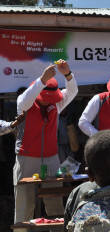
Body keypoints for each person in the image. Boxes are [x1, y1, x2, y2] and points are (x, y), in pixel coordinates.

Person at [14, 60, 78, 223]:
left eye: (53, 97)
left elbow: (72, 91)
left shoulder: (56, 103)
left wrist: (68, 75)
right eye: (46, 98)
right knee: (25, 204)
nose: (50, 101)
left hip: (51, 159)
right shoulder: (25, 103)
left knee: (55, 204)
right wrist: (42, 80)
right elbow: (27, 97)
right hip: (27, 158)